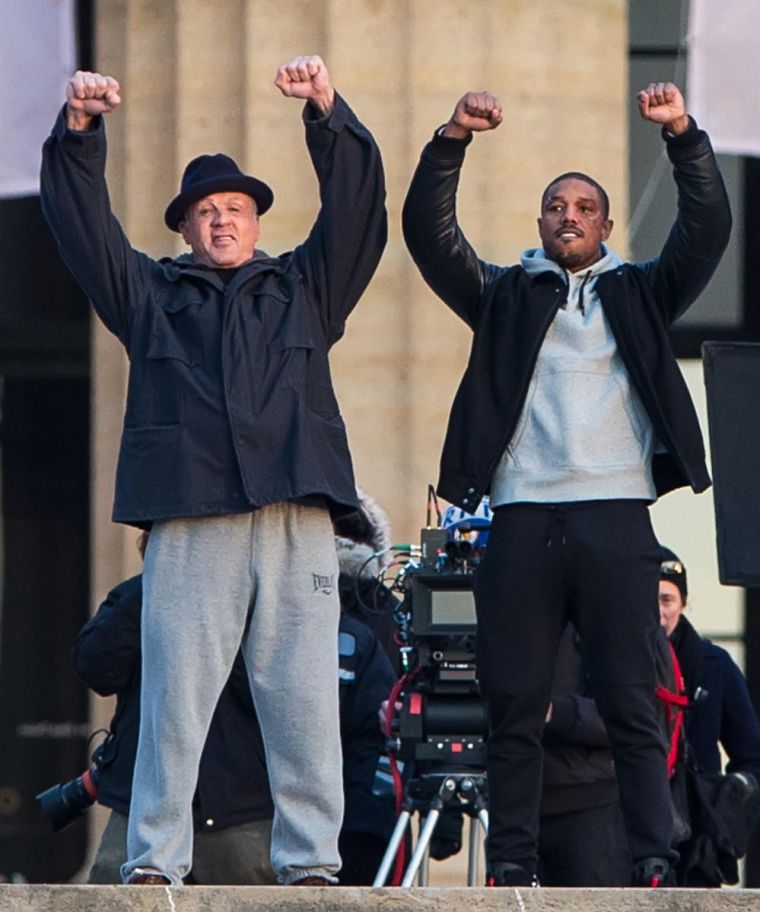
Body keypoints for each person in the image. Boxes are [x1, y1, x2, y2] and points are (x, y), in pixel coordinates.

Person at [40, 57, 387, 886]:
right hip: (193, 514)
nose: (222, 222)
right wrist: (81, 135)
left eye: (234, 209)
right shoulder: (150, 294)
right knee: (174, 699)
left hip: (296, 515)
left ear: (256, 222)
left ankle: (310, 865)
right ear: (188, 228)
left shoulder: (306, 287)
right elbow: (83, 231)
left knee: (303, 702)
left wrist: (327, 114)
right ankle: (155, 860)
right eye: (206, 212)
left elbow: (360, 214)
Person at [402, 81, 730, 887]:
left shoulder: (641, 291)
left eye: (584, 206)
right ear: (541, 222)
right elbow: (427, 236)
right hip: (521, 517)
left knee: (630, 697)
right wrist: (452, 140)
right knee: (512, 701)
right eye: (556, 206)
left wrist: (682, 136)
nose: (569, 216)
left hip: (614, 515)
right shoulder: (506, 294)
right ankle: (511, 860)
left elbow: (709, 227)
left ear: (606, 225)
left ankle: (657, 852)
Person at [74, 530, 396, 885]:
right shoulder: (138, 594)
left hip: (245, 816)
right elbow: (95, 668)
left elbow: (278, 699)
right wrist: (157, 587)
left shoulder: (280, 608)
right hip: (138, 813)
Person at [659, 547, 760, 885]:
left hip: (698, 840)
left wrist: (729, 803)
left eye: (666, 600)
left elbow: (753, 756)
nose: (658, 612)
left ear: (683, 603)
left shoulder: (714, 666)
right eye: (648, 600)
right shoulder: (611, 665)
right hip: (629, 829)